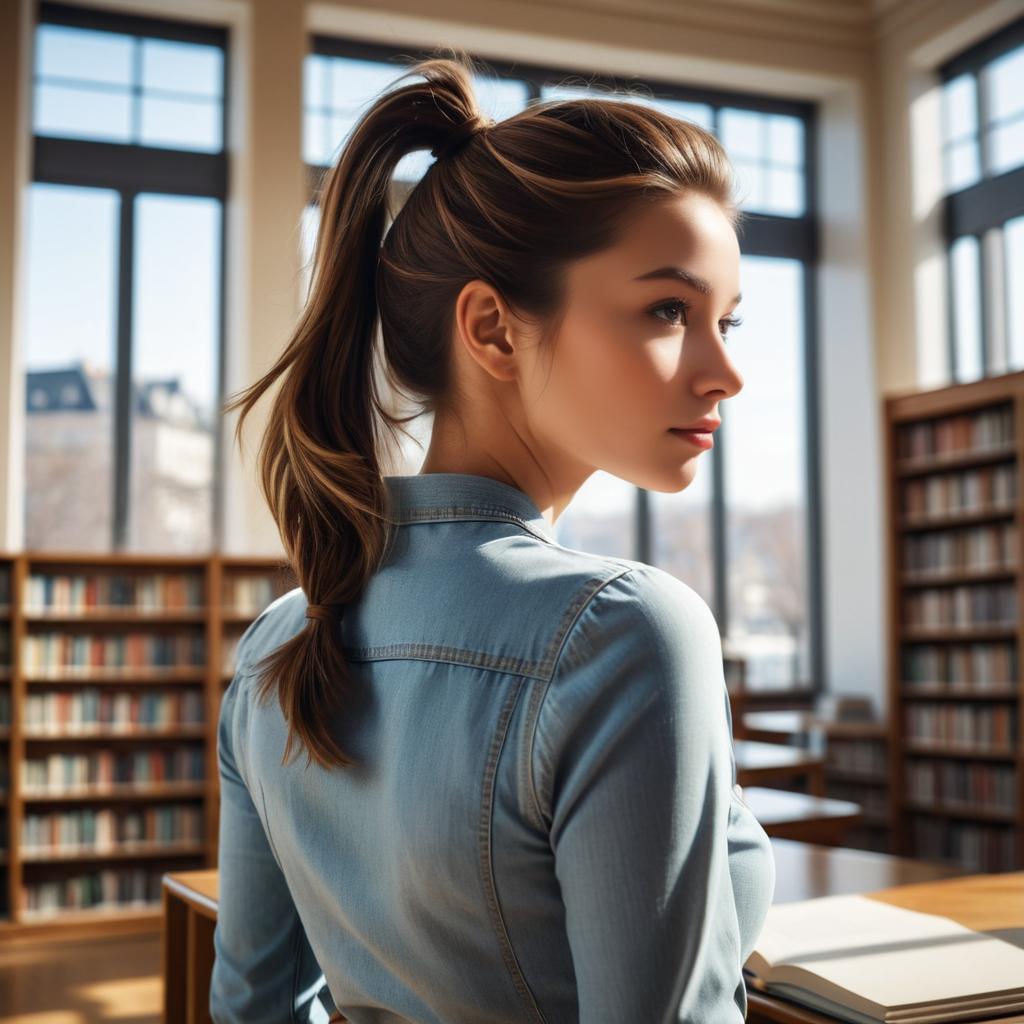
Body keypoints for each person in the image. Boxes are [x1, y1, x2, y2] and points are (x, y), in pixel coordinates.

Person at [211, 47, 775, 1024]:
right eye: (669, 310)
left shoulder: (274, 649)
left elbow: (252, 1010)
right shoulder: (623, 636)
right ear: (494, 329)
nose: (724, 369)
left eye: (728, 319)